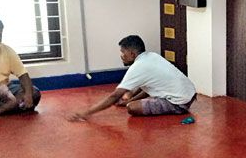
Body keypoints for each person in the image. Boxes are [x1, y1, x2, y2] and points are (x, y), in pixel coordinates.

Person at [68, 35, 196, 122]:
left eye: (123, 52)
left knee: (132, 107)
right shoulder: (152, 56)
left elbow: (114, 96)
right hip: (190, 94)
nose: (121, 56)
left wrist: (86, 113)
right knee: (131, 101)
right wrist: (131, 98)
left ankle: (178, 109)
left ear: (132, 54)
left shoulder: (138, 66)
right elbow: (149, 86)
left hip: (179, 103)